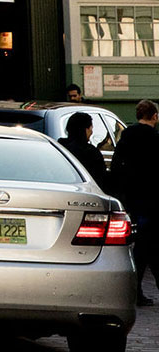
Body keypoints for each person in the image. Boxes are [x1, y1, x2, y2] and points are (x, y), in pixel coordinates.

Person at [115, 99, 159, 305]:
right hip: (151, 199)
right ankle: (136, 290)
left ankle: (135, 289)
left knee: (142, 245)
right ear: (155, 116)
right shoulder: (154, 140)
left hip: (132, 198)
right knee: (148, 246)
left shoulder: (126, 138)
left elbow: (116, 168)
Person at [60, 111, 110, 193]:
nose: (91, 132)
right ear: (86, 129)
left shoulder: (60, 147)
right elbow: (100, 178)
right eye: (91, 128)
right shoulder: (91, 153)